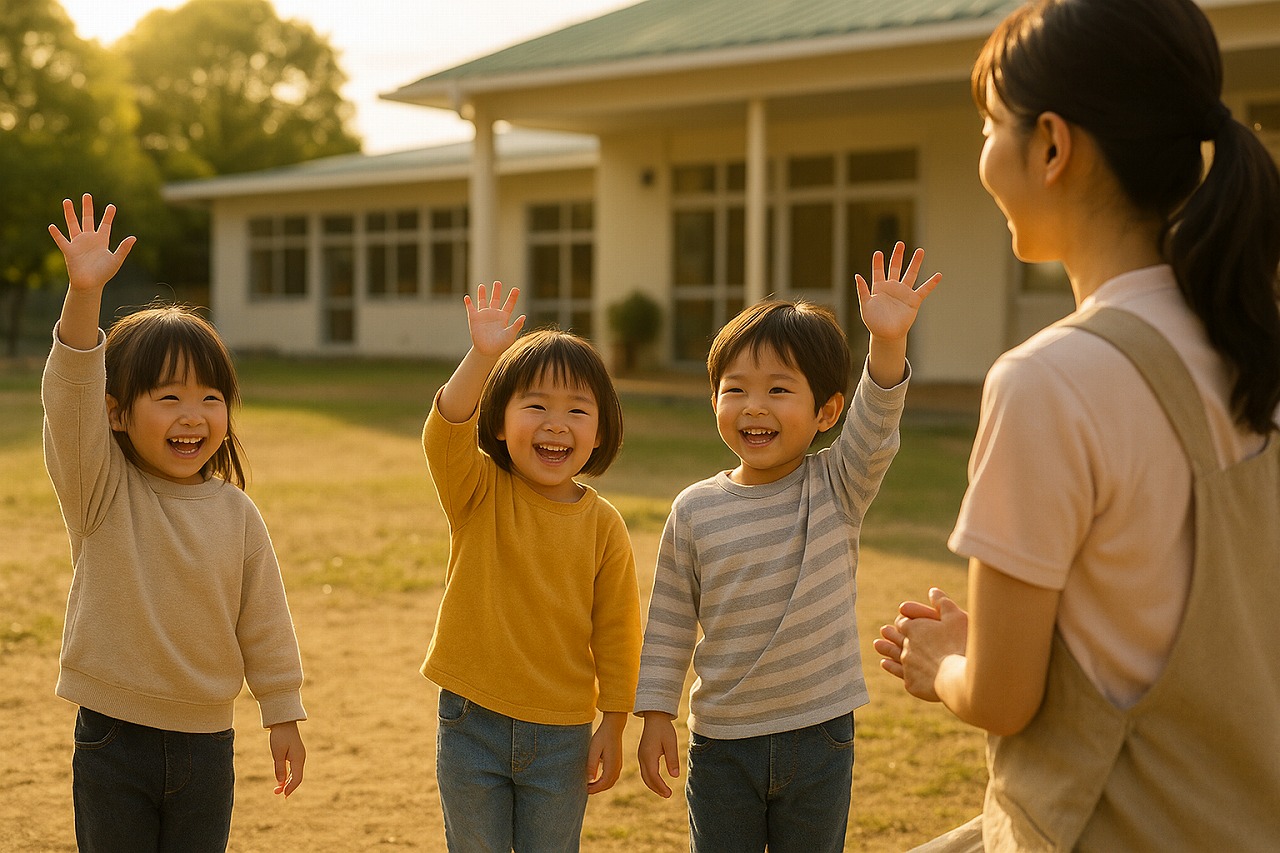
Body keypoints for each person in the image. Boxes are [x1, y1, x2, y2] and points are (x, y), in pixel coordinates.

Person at [874, 0, 1280, 849]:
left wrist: (942, 661)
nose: (984, 154)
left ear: (1053, 146)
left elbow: (1002, 699)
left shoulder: (1048, 381)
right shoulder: (1251, 344)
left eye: (990, 124)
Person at [634, 243, 941, 853]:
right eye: (735, 388)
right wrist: (654, 714)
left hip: (820, 734)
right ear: (714, 399)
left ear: (826, 411)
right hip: (723, 742)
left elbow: (877, 423)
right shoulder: (694, 509)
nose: (754, 406)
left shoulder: (837, 486)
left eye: (779, 389)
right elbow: (669, 621)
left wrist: (887, 341)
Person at [43, 194, 307, 852]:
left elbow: (264, 620)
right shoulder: (99, 487)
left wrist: (283, 715)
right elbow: (69, 392)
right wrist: (84, 294)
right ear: (117, 412)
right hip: (111, 736)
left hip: (206, 745)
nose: (194, 415)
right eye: (169, 397)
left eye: (209, 397)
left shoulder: (237, 513)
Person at [421, 282, 642, 852]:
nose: (556, 423)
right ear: (498, 421)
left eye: (577, 409)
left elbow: (618, 630)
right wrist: (483, 356)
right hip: (472, 721)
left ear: (599, 430)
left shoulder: (604, 526)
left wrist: (613, 723)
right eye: (535, 404)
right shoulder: (477, 491)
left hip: (563, 733)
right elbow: (443, 431)